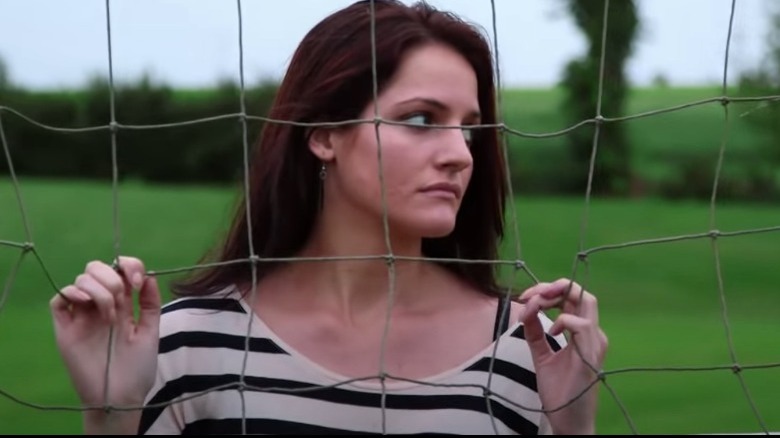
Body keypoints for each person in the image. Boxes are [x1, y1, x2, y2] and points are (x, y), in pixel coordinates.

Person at [50, 0, 608, 434]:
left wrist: (574, 428)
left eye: (469, 126)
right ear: (323, 137)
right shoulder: (184, 342)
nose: (460, 153)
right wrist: (111, 416)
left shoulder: (529, 347)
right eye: (420, 119)